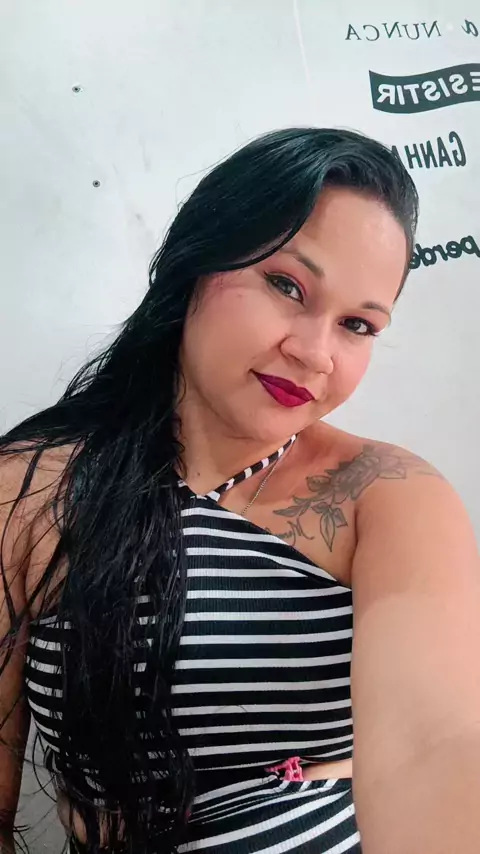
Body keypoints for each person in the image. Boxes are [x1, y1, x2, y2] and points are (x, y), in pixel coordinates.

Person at [0, 127, 479, 854]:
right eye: (287, 286)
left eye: (357, 324)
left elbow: (431, 745)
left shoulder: (384, 495)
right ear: (198, 260)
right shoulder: (32, 491)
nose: (314, 353)